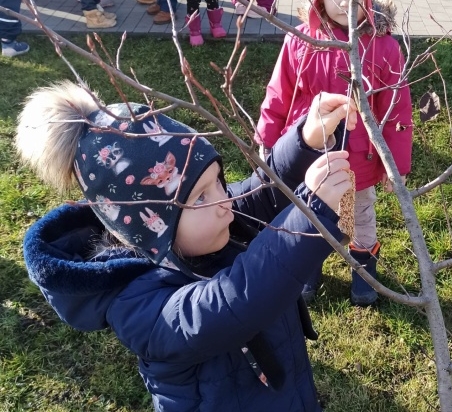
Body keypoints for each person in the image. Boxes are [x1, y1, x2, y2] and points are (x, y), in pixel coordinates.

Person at [16, 80, 357, 411]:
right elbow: (234, 302)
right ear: (152, 226)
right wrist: (310, 212)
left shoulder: (205, 222)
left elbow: (262, 192)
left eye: (218, 183)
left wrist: (306, 141)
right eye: (200, 197)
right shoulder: (139, 305)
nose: (224, 202)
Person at [256, 0, 413, 306]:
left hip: (359, 162)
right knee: (307, 212)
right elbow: (279, 94)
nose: (344, 3)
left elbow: (397, 114)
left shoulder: (384, 48)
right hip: (309, 157)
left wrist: (396, 165)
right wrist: (267, 140)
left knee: (358, 216)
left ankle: (363, 270)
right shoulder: (300, 40)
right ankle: (308, 264)